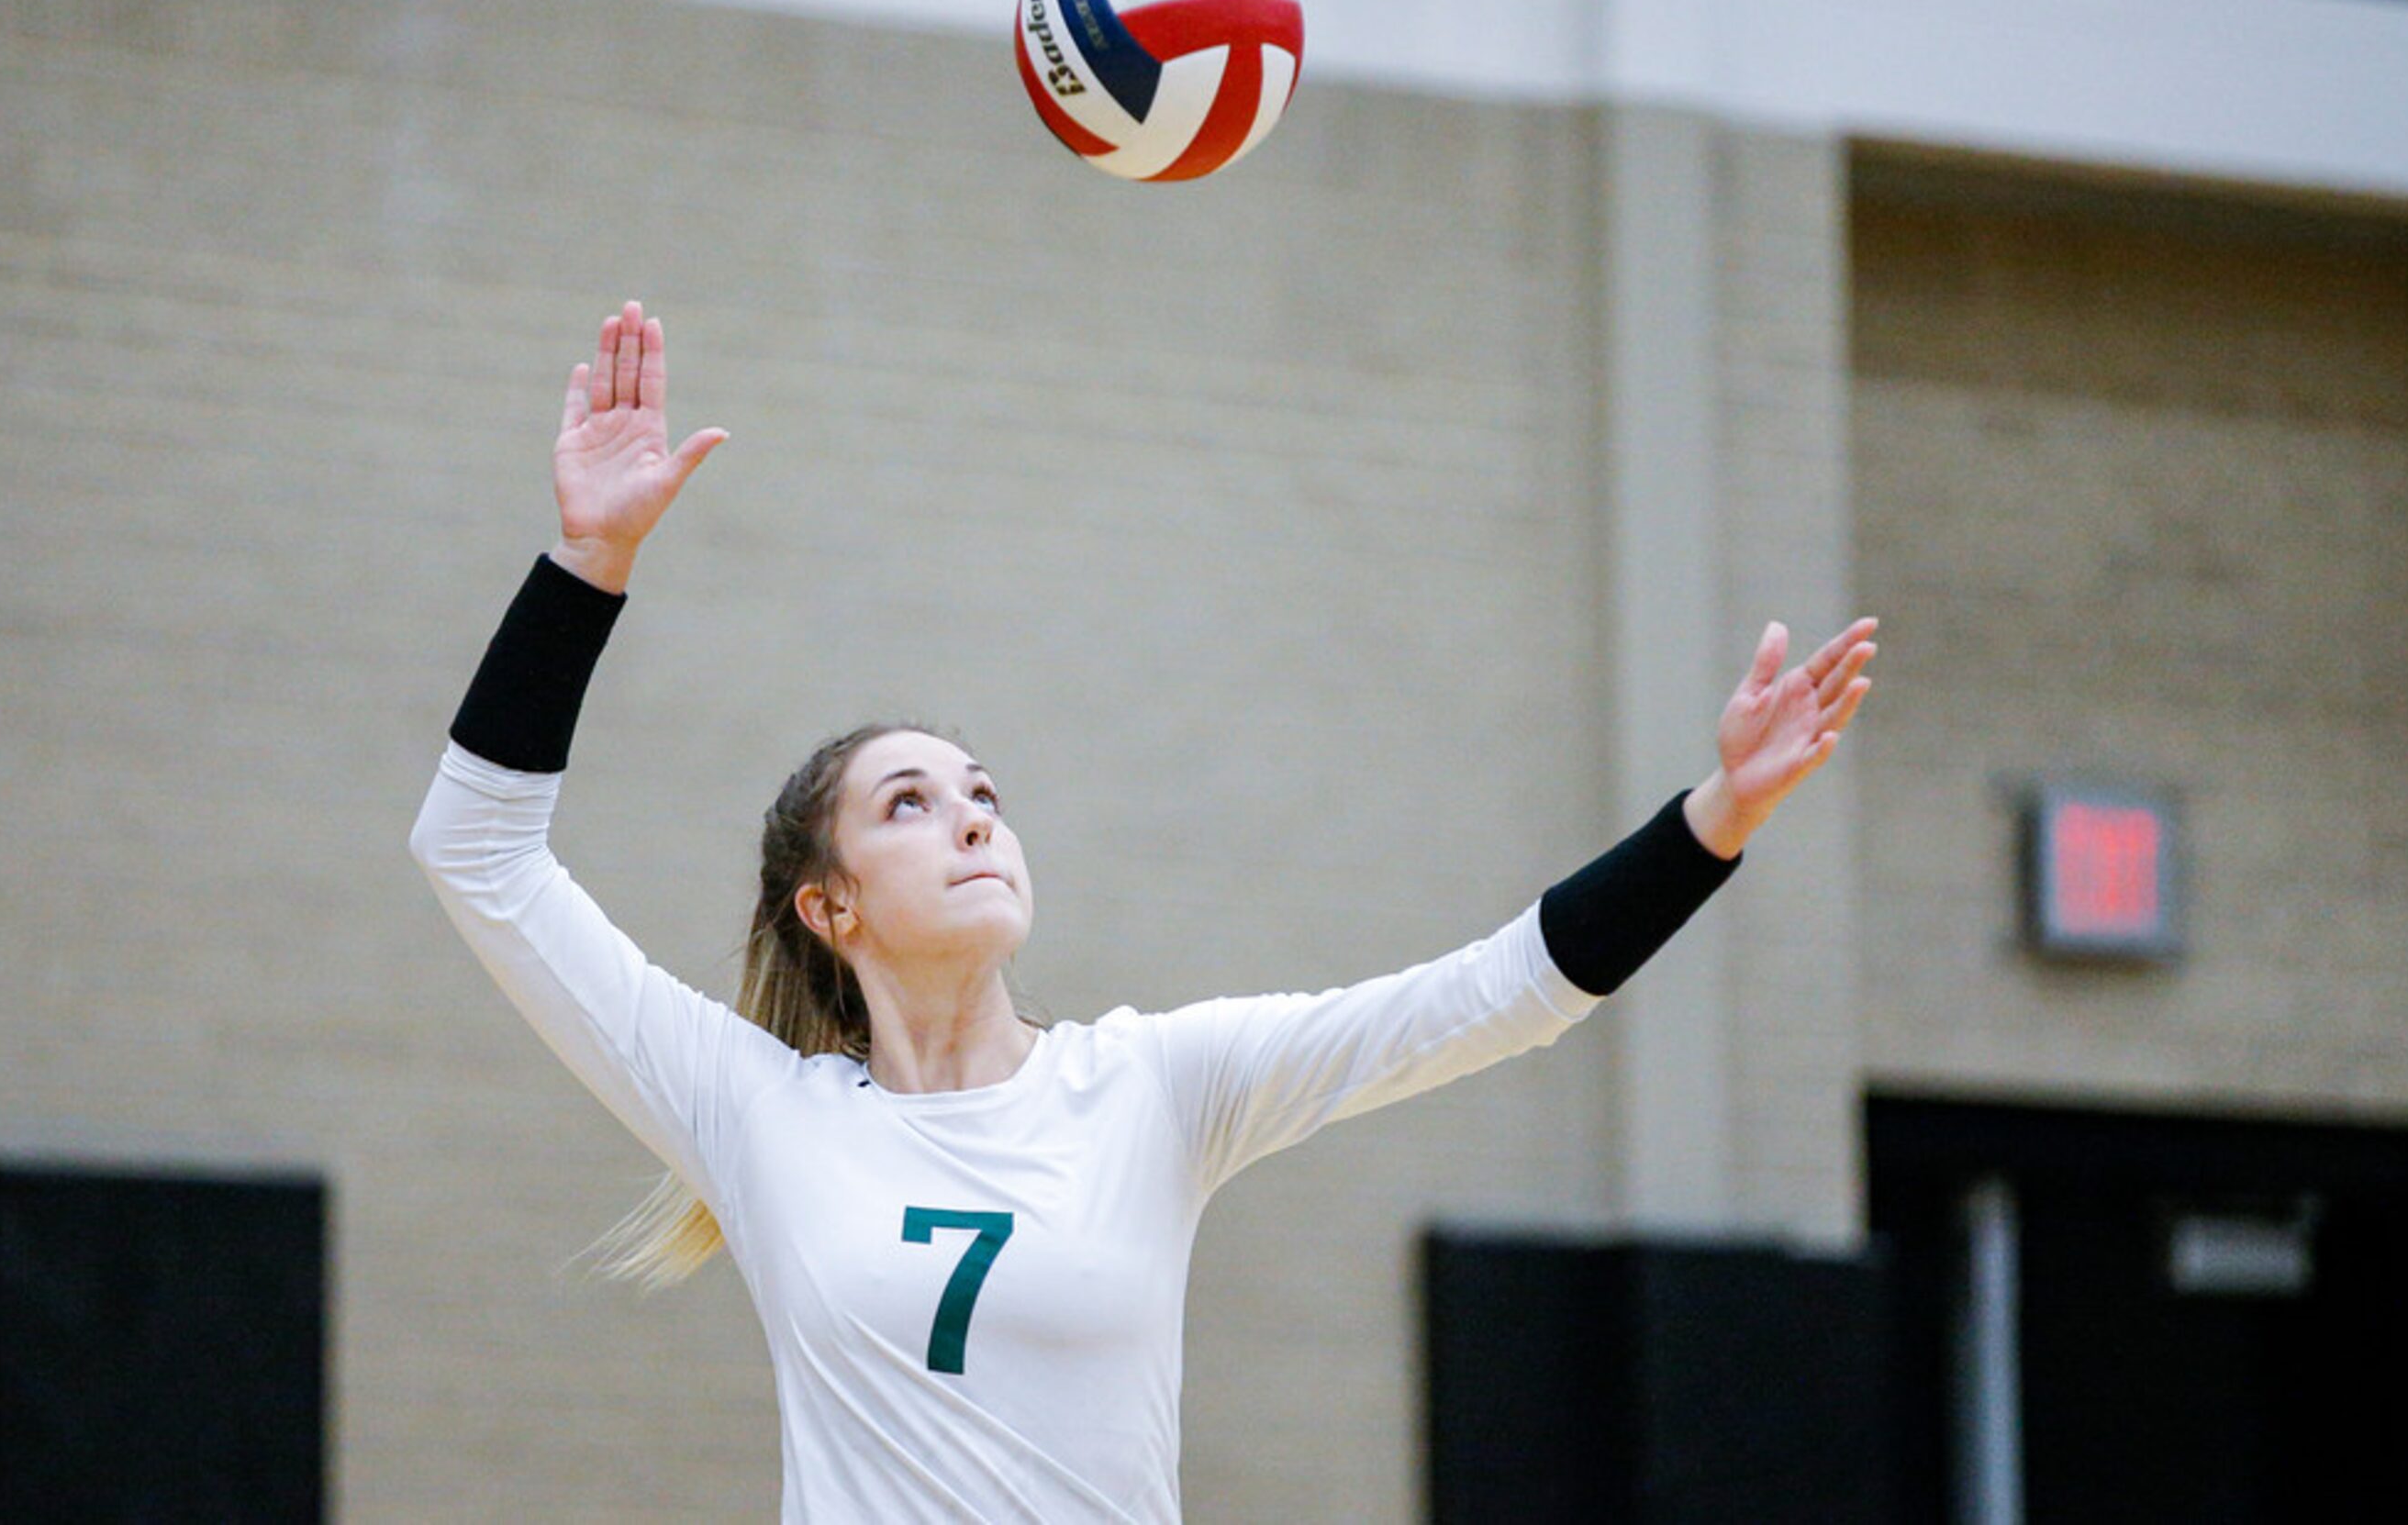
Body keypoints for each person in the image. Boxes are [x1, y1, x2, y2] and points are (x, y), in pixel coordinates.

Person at [411, 301, 1876, 1523]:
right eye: (907, 802)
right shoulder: (759, 1112)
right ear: (829, 905)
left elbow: (1496, 994)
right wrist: (588, 561)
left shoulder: (1157, 1087)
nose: (972, 812)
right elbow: (478, 851)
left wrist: (1715, 822)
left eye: (981, 788)